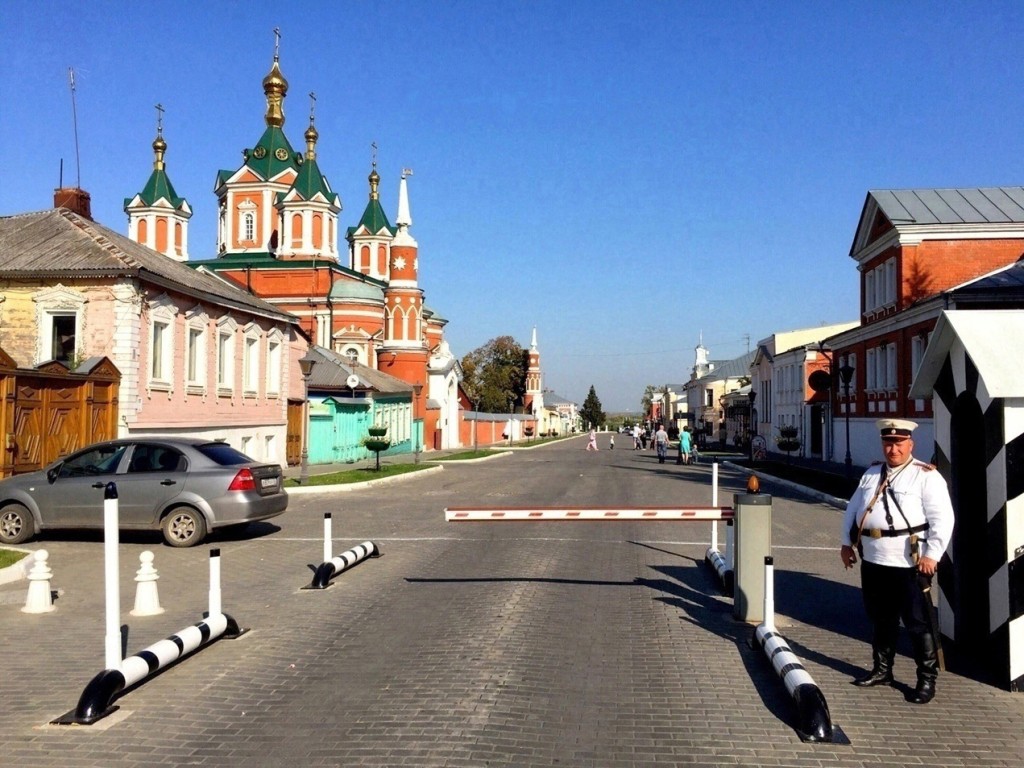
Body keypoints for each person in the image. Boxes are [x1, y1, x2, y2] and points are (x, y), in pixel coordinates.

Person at [840, 418, 954, 704]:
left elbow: (943, 518)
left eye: (899, 443)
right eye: (888, 443)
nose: (893, 449)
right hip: (875, 558)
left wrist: (933, 554)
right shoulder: (871, 474)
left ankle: (926, 680)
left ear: (910, 444)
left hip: (909, 562)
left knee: (918, 623)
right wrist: (846, 543)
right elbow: (854, 508)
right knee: (881, 618)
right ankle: (882, 670)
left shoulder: (926, 476)